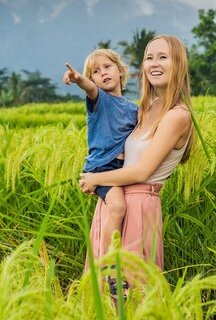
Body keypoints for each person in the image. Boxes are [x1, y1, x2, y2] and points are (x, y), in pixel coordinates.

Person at [79, 34, 194, 293]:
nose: (154, 63)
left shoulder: (178, 116)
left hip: (139, 208)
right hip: (112, 203)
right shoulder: (145, 108)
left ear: (178, 64)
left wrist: (94, 179)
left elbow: (143, 171)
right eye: (149, 58)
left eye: (163, 57)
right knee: (101, 299)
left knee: (131, 297)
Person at [63, 49, 139, 271]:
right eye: (96, 71)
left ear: (120, 70)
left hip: (122, 169)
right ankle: (108, 264)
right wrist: (78, 79)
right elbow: (89, 88)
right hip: (102, 167)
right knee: (117, 208)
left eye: (107, 67)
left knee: (126, 210)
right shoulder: (100, 100)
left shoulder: (135, 109)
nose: (103, 73)